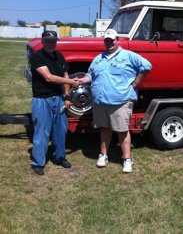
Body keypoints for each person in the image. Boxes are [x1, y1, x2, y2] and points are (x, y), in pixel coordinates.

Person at [78, 29, 152, 173]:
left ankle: (127, 160)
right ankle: (103, 155)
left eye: (112, 40)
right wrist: (83, 80)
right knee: (105, 128)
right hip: (101, 101)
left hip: (121, 101)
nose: (109, 43)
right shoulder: (98, 58)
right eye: (106, 40)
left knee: (122, 131)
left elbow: (147, 66)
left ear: (117, 40)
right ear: (104, 41)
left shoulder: (128, 56)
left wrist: (136, 83)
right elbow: (91, 75)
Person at [30, 30, 80, 175]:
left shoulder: (59, 56)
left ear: (56, 41)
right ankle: (38, 162)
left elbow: (64, 74)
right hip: (42, 99)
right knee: (42, 131)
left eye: (53, 41)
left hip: (58, 99)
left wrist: (66, 95)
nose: (51, 43)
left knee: (61, 129)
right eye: (48, 41)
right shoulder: (37, 57)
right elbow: (49, 78)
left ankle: (59, 157)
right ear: (42, 41)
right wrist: (72, 82)